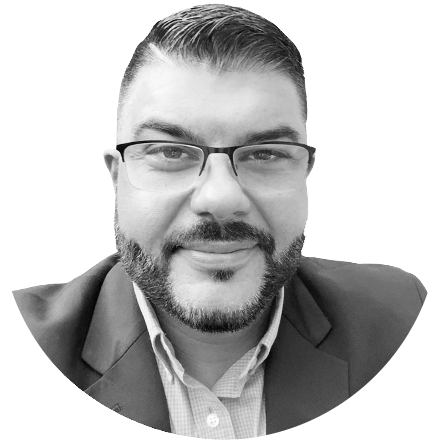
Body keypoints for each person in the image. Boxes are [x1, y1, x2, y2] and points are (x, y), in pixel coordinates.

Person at [12, 4, 427, 437]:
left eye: (265, 154)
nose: (220, 198)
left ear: (304, 174)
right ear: (118, 177)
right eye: (170, 152)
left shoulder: (401, 317)